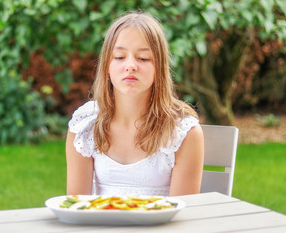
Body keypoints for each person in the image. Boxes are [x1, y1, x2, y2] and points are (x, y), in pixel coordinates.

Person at [65, 11, 204, 197]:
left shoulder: (183, 132)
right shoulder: (85, 124)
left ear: (159, 67)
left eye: (143, 58)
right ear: (107, 65)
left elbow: (181, 213)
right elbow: (75, 206)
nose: (130, 65)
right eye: (120, 57)